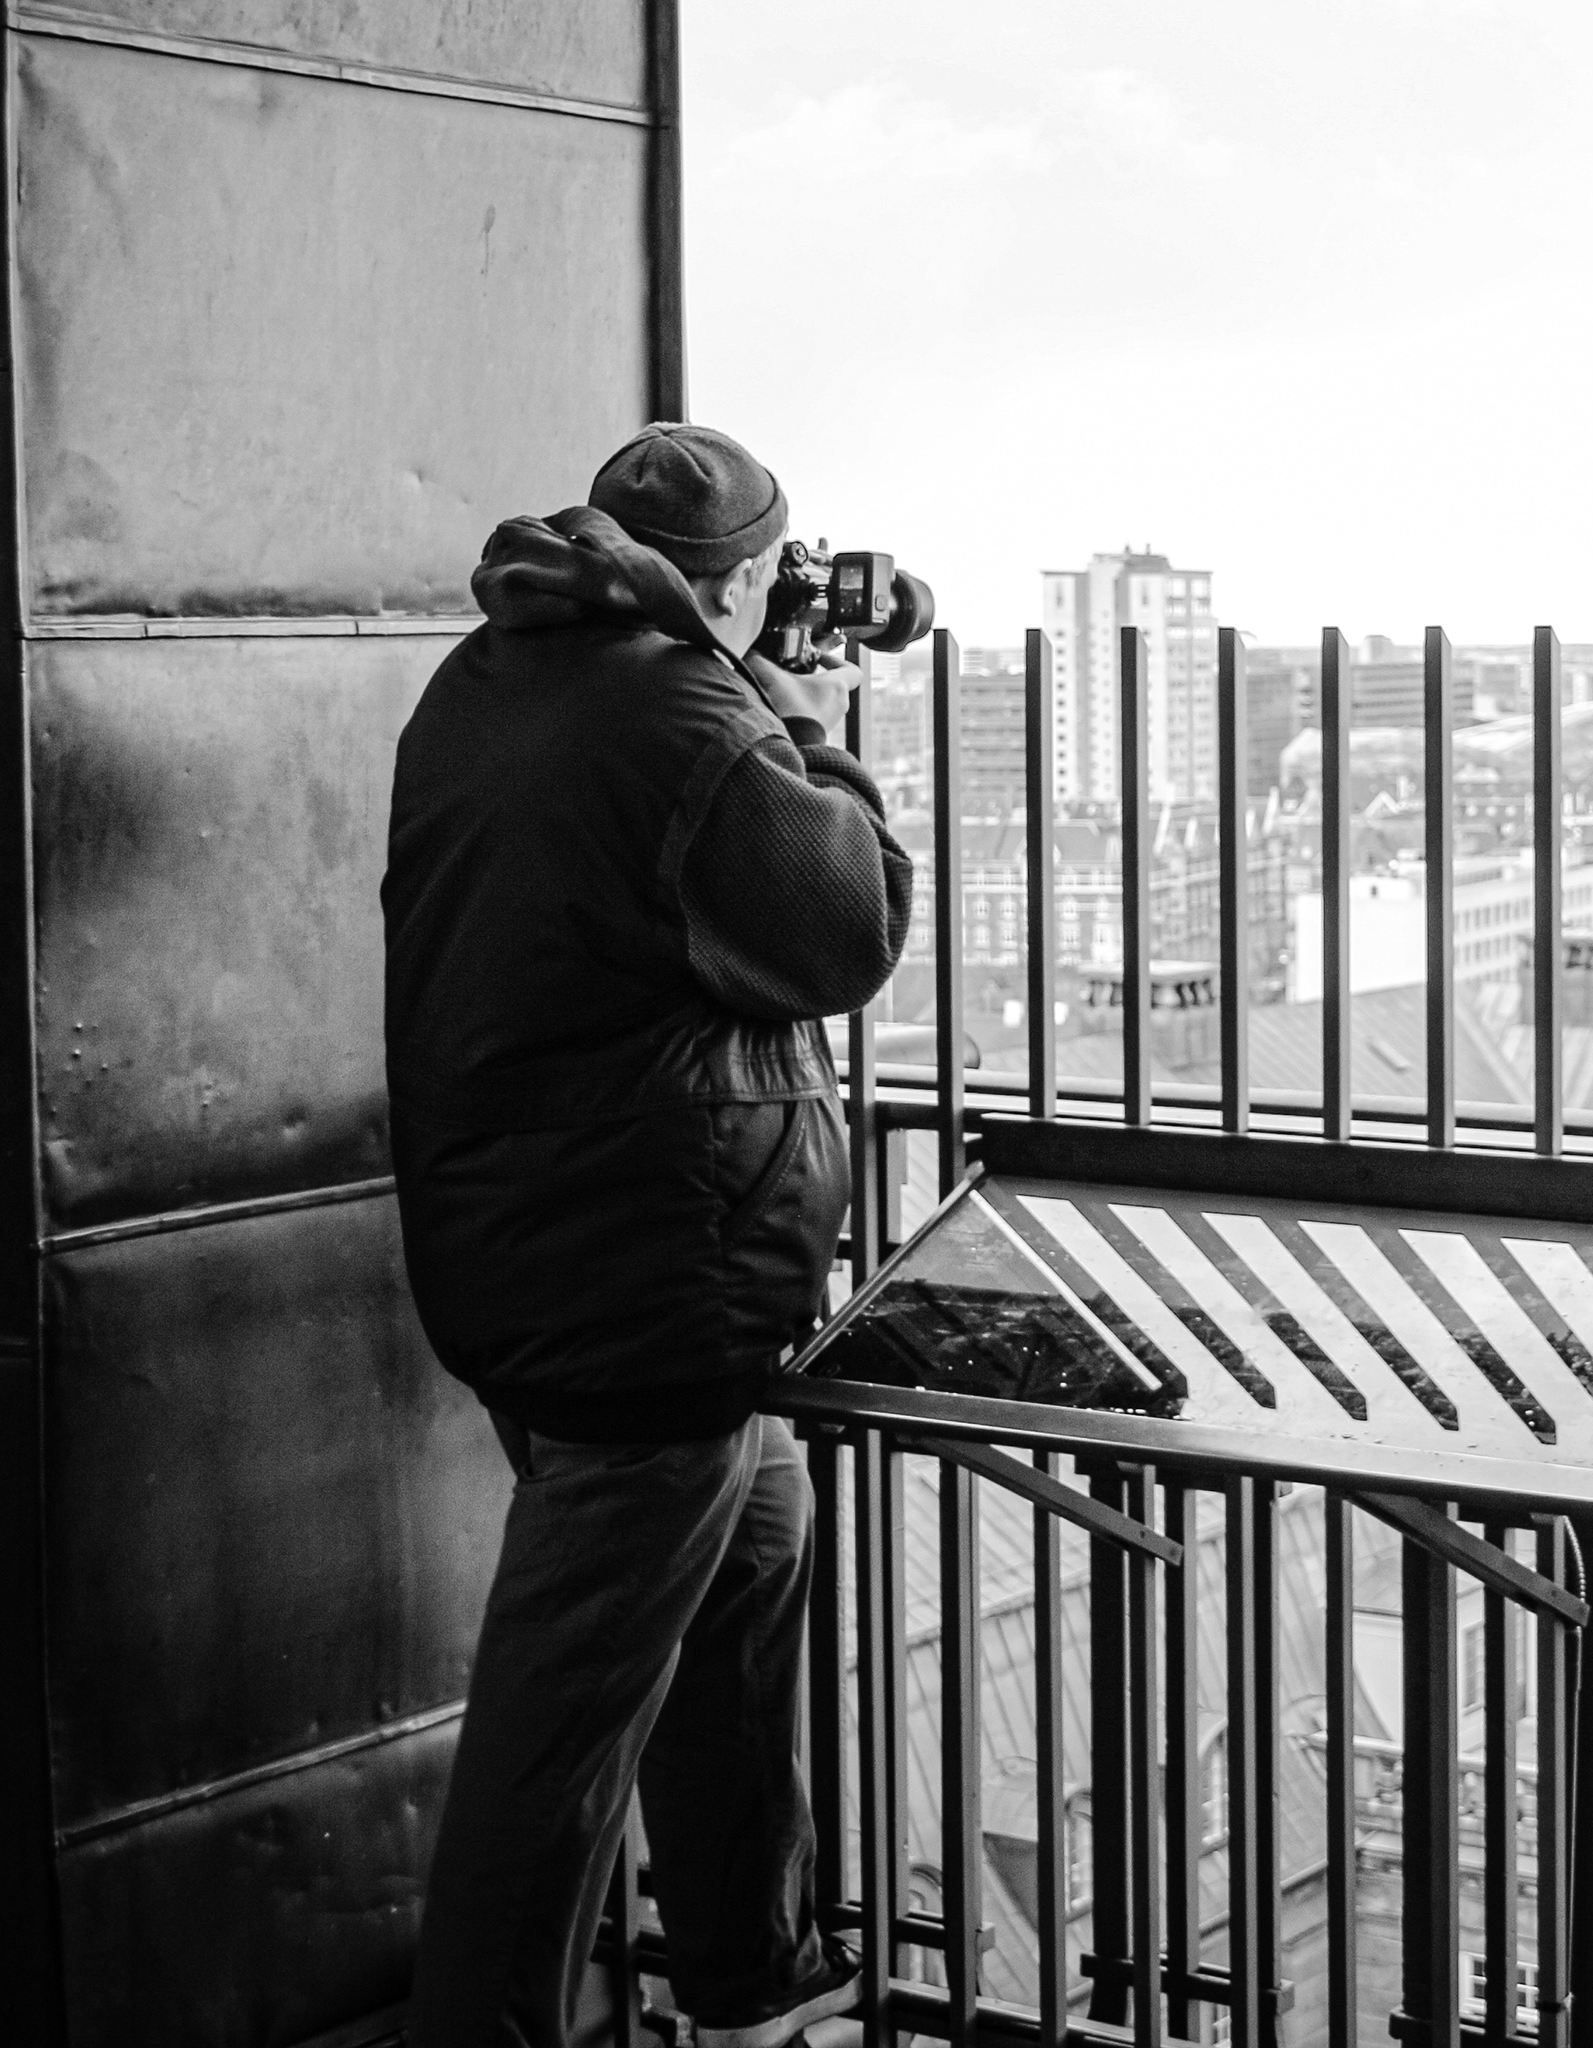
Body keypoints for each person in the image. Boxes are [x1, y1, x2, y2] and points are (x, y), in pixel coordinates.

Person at [385, 423, 912, 2048]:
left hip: (547, 1253)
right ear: (733, 585)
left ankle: (754, 1984)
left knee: (752, 1564)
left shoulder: (488, 677)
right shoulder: (687, 713)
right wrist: (790, 709)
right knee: (555, 1744)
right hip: (648, 1291)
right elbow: (848, 929)